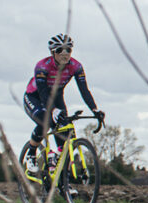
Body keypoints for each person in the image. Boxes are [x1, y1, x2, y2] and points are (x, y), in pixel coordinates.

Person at [22, 34, 105, 169]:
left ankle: (63, 183)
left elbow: (84, 90)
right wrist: (53, 110)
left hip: (56, 97)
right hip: (35, 97)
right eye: (60, 50)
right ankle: (31, 153)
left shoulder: (76, 67)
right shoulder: (42, 66)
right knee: (46, 122)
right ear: (53, 52)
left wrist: (95, 110)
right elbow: (43, 93)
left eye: (68, 50)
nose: (65, 54)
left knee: (65, 140)